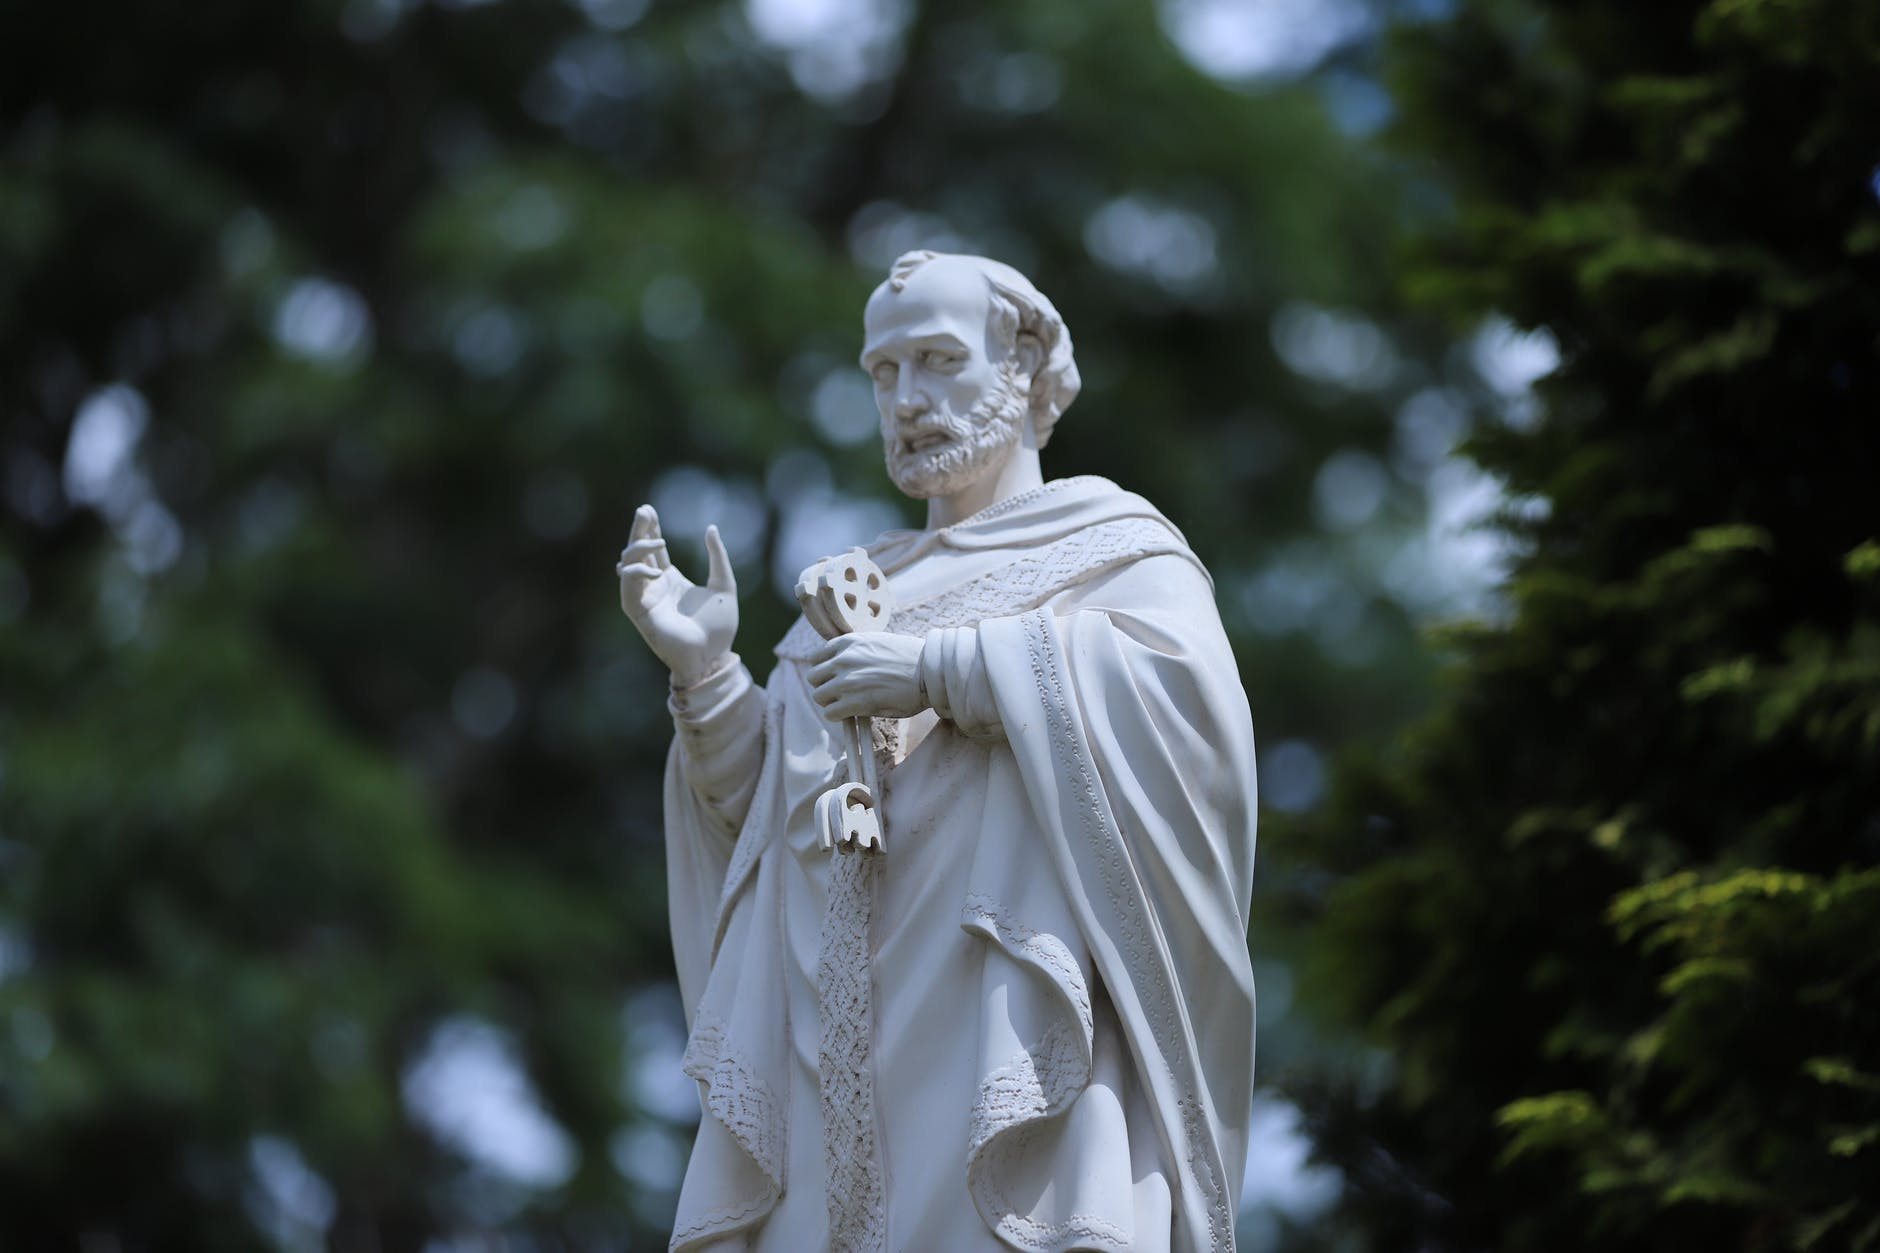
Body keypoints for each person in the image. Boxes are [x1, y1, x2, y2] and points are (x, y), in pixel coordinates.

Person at [617, 251, 1258, 1253]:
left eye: (936, 359)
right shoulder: (856, 587)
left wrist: (943, 672)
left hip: (1008, 1037)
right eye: (882, 370)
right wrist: (706, 680)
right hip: (833, 1063)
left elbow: (1185, 718)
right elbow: (759, 828)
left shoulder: (1113, 549)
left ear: (1023, 365)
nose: (906, 398)